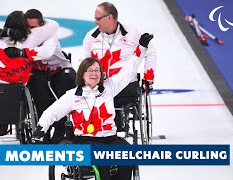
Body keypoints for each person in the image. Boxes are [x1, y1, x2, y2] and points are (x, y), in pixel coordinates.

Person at [31, 33, 154, 180]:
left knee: (126, 155)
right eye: (90, 70)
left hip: (110, 139)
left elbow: (128, 71)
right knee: (100, 157)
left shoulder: (109, 87)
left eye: (97, 70)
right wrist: (40, 130)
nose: (94, 73)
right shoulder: (72, 95)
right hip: (84, 140)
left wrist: (141, 48)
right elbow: (52, 112)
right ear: (82, 74)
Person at [82, 2, 157, 131]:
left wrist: (148, 78)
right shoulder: (91, 36)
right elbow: (83, 61)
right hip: (100, 83)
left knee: (114, 94)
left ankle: (116, 125)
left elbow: (150, 52)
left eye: (98, 18)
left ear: (109, 17)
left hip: (125, 83)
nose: (95, 22)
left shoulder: (134, 32)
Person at [0, 10, 59, 135]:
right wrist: (23, 52)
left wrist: (5, 32)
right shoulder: (31, 38)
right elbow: (53, 26)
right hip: (18, 82)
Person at [24, 9, 76, 144]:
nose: (31, 31)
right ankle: (43, 129)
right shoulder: (23, 36)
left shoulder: (49, 35)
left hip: (59, 69)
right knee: (37, 85)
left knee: (68, 83)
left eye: (33, 28)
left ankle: (61, 129)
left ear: (42, 26)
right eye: (28, 28)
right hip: (38, 72)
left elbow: (45, 53)